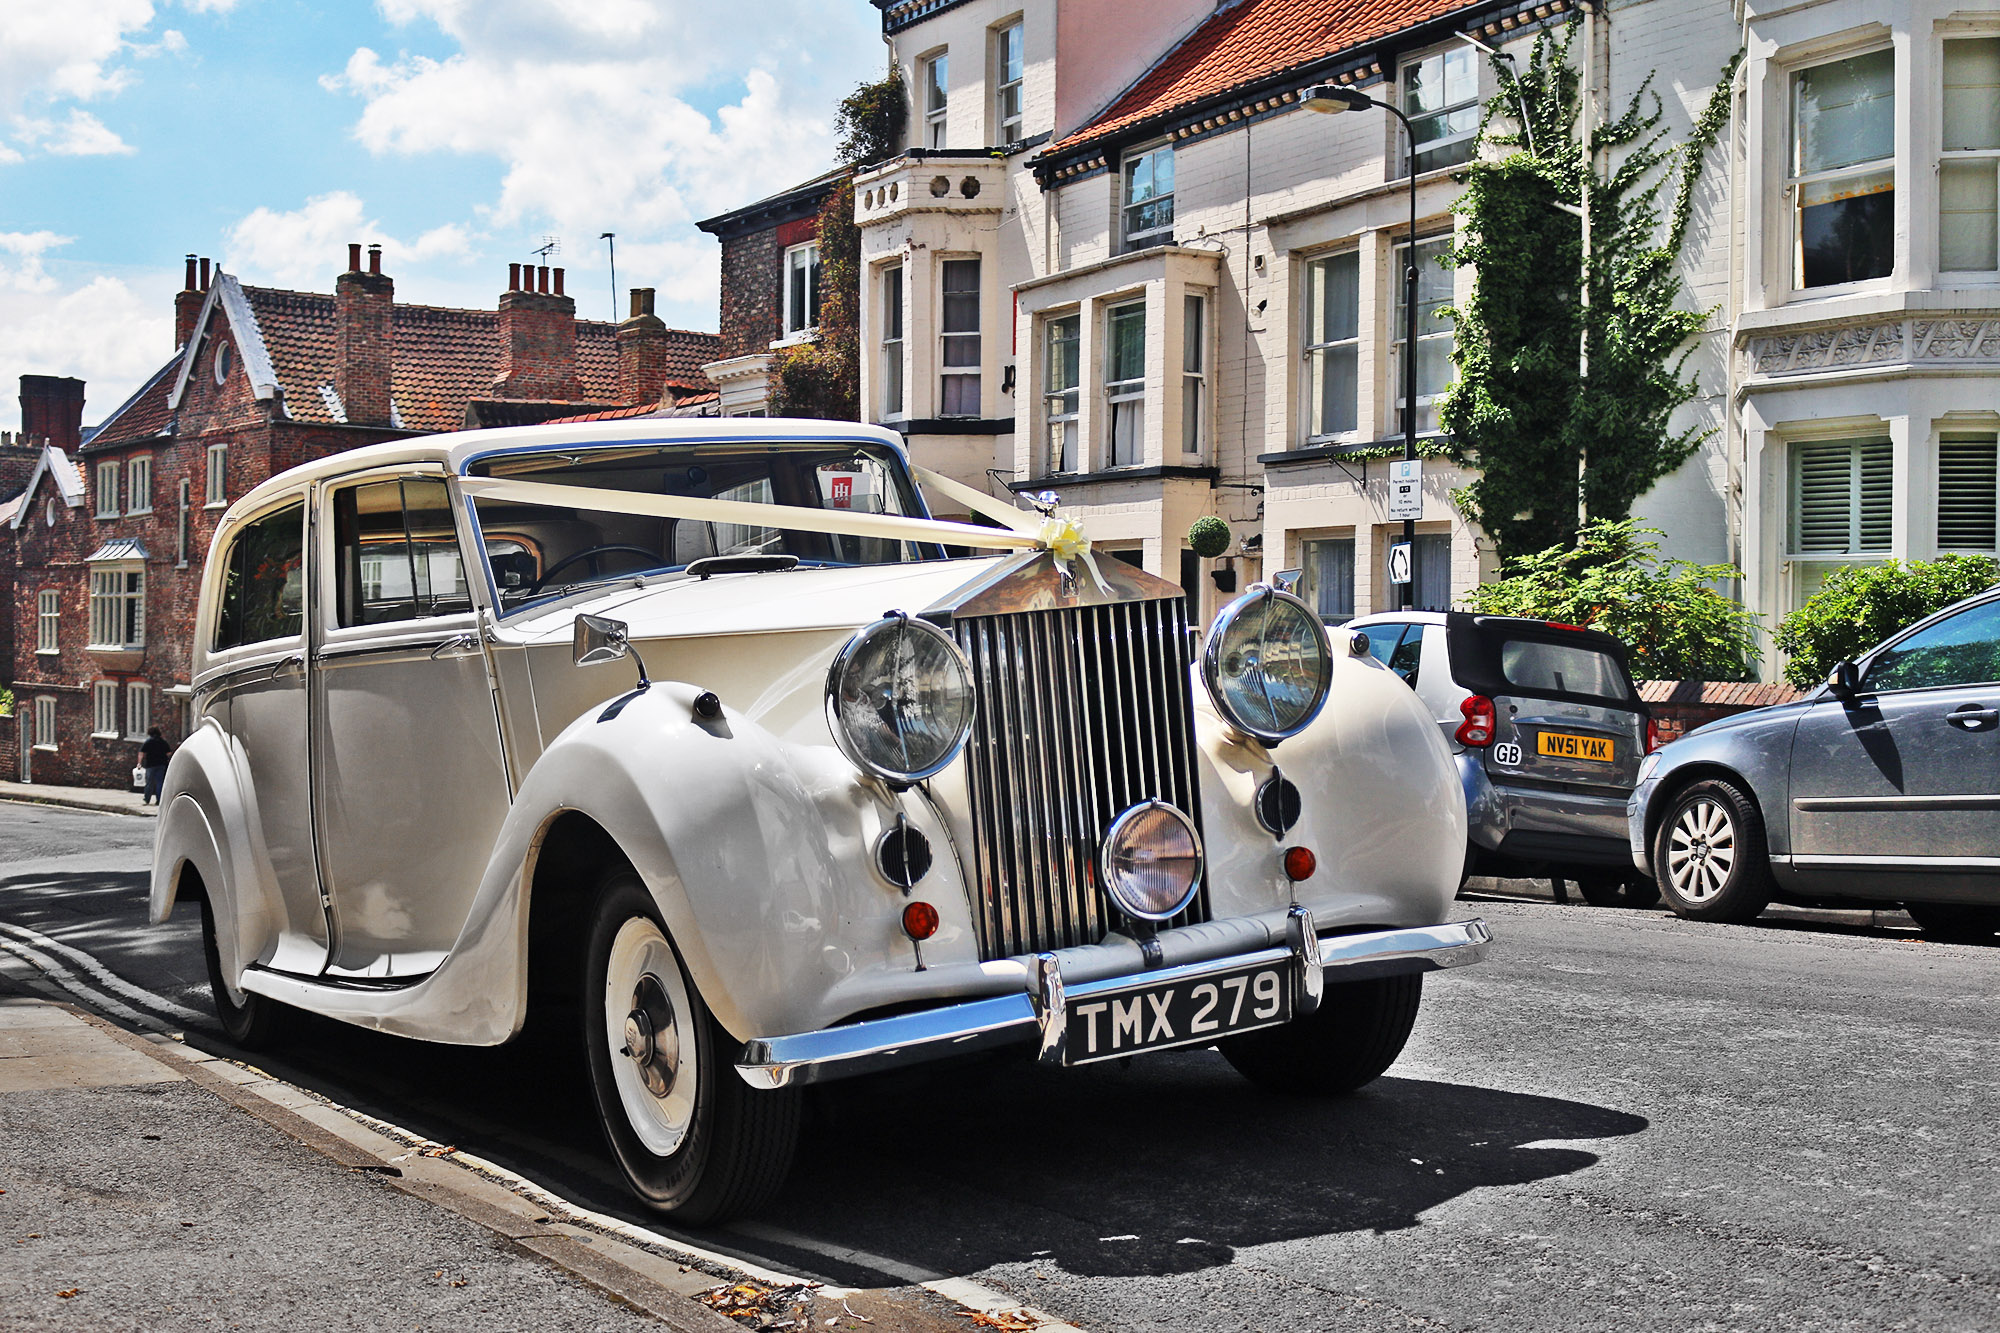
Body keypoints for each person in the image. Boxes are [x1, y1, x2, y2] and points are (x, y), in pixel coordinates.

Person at [138, 727, 171, 805]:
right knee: (160, 782)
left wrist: (139, 763)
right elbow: (168, 753)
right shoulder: (163, 742)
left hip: (150, 764)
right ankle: (159, 800)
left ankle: (147, 799)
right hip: (161, 764)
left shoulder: (148, 742)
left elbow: (141, 752)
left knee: (149, 782)